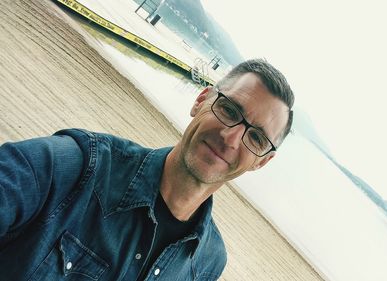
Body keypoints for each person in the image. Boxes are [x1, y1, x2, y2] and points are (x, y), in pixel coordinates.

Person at [0, 59, 294, 280]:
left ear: (262, 161)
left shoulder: (207, 261)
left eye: (255, 138)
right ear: (201, 100)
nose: (230, 139)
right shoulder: (73, 166)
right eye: (229, 110)